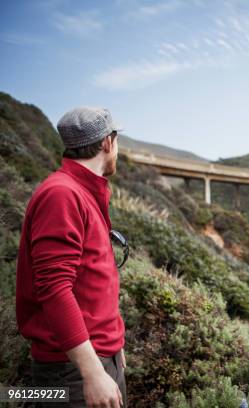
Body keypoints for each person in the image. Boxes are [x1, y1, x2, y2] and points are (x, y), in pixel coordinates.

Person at [16, 107, 127, 408]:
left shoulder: (81, 191)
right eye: (117, 139)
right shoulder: (62, 195)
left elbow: (89, 280)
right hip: (73, 374)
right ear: (107, 143)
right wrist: (92, 371)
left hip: (95, 361)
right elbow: (54, 289)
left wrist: (114, 346)